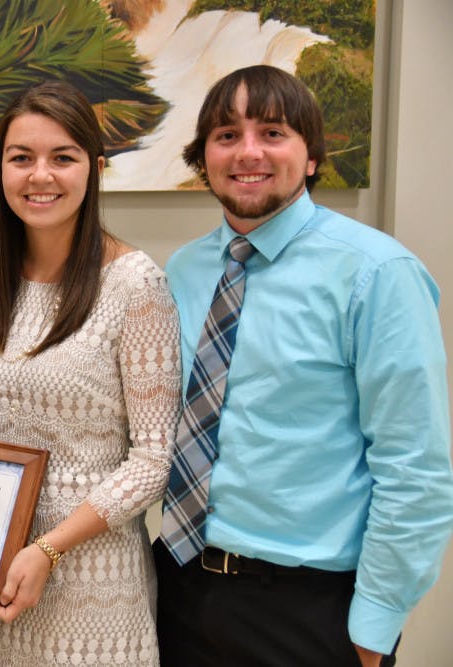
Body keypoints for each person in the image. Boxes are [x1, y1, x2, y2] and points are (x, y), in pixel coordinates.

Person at [154, 64, 453, 667]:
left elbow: (415, 469)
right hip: (180, 585)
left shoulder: (375, 274)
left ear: (311, 155)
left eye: (272, 132)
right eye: (227, 135)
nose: (248, 153)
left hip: (308, 609)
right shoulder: (182, 271)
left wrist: (375, 626)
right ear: (203, 156)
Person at [0, 80, 182, 665]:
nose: (40, 175)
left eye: (63, 157)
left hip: (91, 588)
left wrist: (46, 551)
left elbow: (153, 461)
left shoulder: (135, 284)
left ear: (95, 169)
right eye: (21, 158)